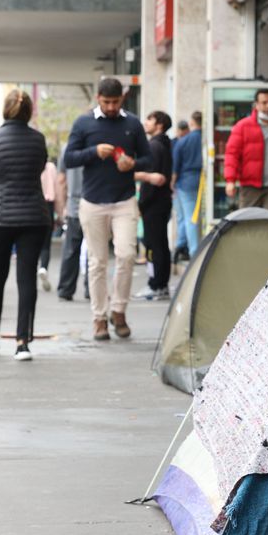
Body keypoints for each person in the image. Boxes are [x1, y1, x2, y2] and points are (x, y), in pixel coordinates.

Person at [63, 77, 152, 341]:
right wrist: (93, 152)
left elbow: (148, 157)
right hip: (92, 202)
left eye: (115, 102)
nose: (111, 107)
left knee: (126, 255)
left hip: (124, 200)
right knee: (97, 262)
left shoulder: (132, 123)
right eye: (106, 102)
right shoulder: (83, 122)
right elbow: (68, 158)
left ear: (122, 98)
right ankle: (99, 318)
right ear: (98, 98)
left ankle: (119, 310)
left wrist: (132, 163)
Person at [0, 88, 51, 361]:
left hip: (0, 216)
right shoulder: (38, 140)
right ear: (29, 111)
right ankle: (22, 342)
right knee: (26, 278)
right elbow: (39, 168)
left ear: (5, 110)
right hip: (33, 215)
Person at [134, 110, 174, 301]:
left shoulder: (155, 147)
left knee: (154, 245)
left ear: (159, 124)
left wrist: (141, 203)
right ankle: (160, 284)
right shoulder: (163, 144)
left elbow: (153, 179)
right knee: (160, 244)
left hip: (154, 203)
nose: (146, 122)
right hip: (162, 201)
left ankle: (156, 285)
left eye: (149, 119)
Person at [224, 87, 268, 211]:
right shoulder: (243, 126)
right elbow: (232, 154)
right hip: (250, 187)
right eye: (264, 103)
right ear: (256, 105)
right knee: (248, 222)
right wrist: (230, 180)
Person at [55, 142, 87, 301]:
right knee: (95, 250)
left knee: (71, 250)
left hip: (74, 206)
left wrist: (61, 208)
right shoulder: (98, 144)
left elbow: (61, 180)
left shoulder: (67, 147)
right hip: (96, 204)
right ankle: (91, 290)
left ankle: (66, 289)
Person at [171, 110, 203, 259]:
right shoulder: (207, 138)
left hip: (185, 182)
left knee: (188, 217)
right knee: (197, 216)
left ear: (192, 123)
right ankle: (184, 246)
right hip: (203, 181)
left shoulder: (182, 141)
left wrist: (172, 184)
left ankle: (192, 251)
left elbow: (175, 168)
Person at [37, 158, 60, 292]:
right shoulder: (51, 167)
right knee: (46, 244)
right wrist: (59, 213)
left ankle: (32, 270)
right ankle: (43, 267)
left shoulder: (30, 163)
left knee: (31, 243)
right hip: (48, 206)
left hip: (32, 204)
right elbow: (57, 190)